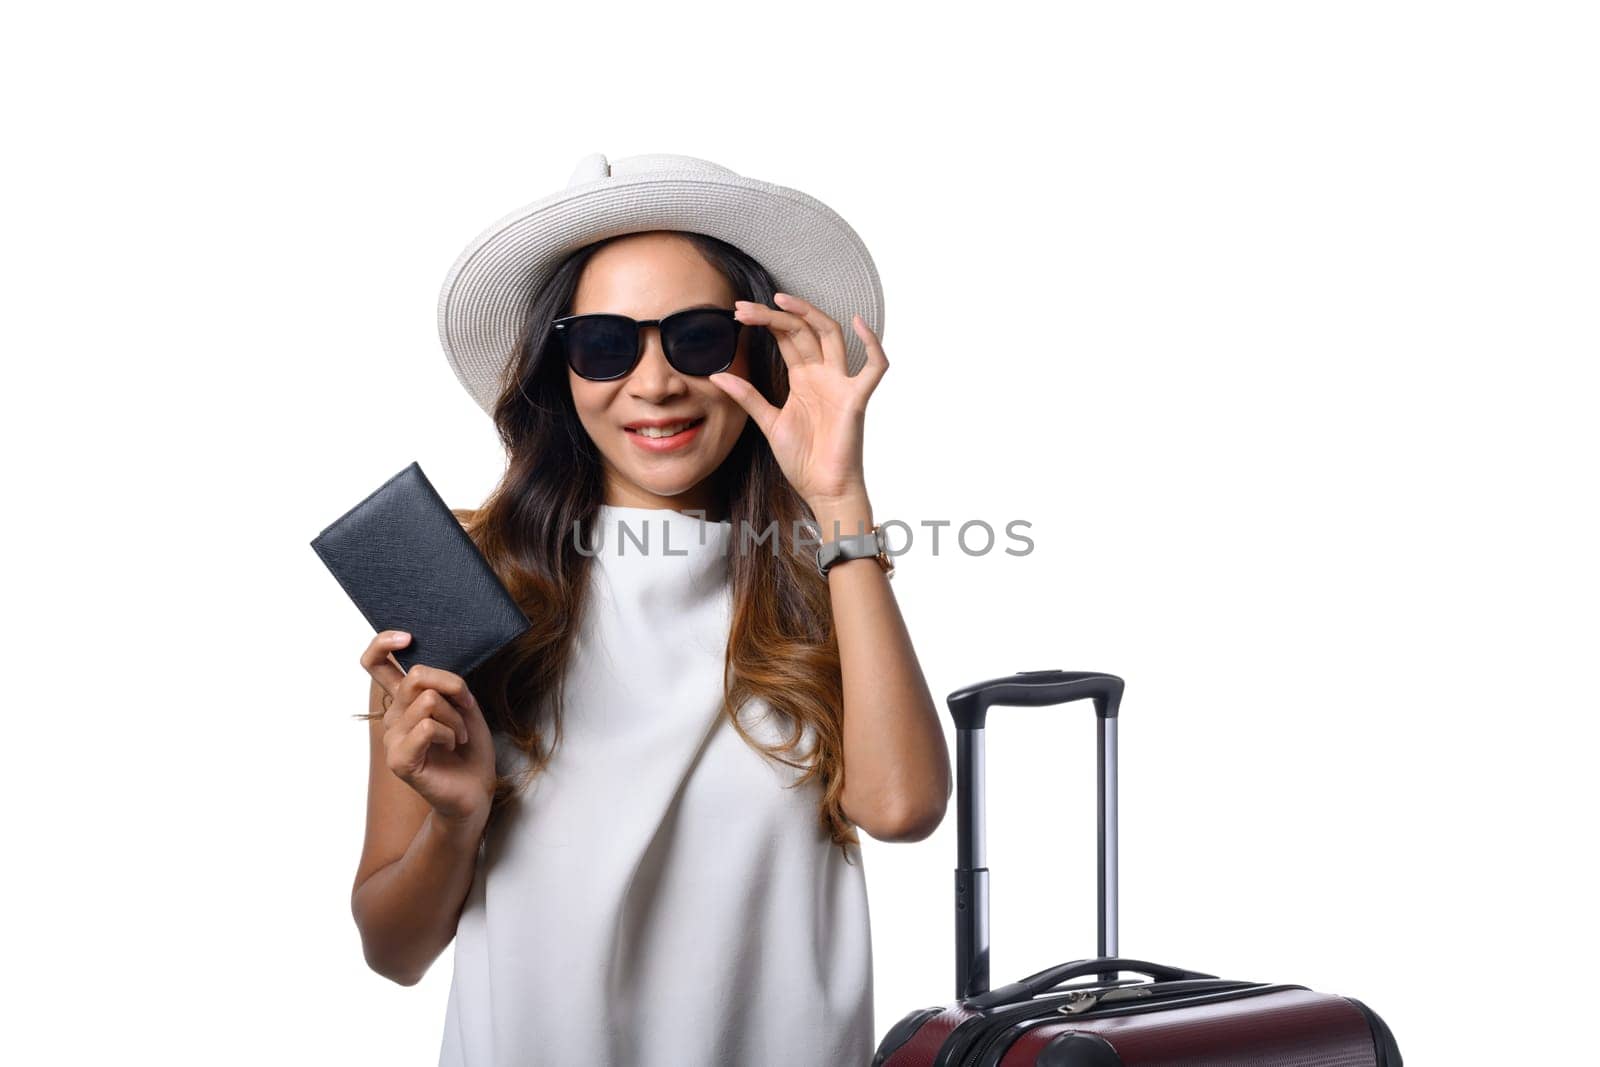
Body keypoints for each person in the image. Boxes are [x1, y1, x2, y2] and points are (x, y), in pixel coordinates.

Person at [348, 153, 951, 1066]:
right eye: (605, 344)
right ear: (562, 370)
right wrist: (456, 819)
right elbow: (393, 951)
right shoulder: (461, 582)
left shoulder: (816, 579)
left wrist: (840, 502)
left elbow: (902, 805)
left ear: (759, 355)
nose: (657, 381)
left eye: (699, 336)